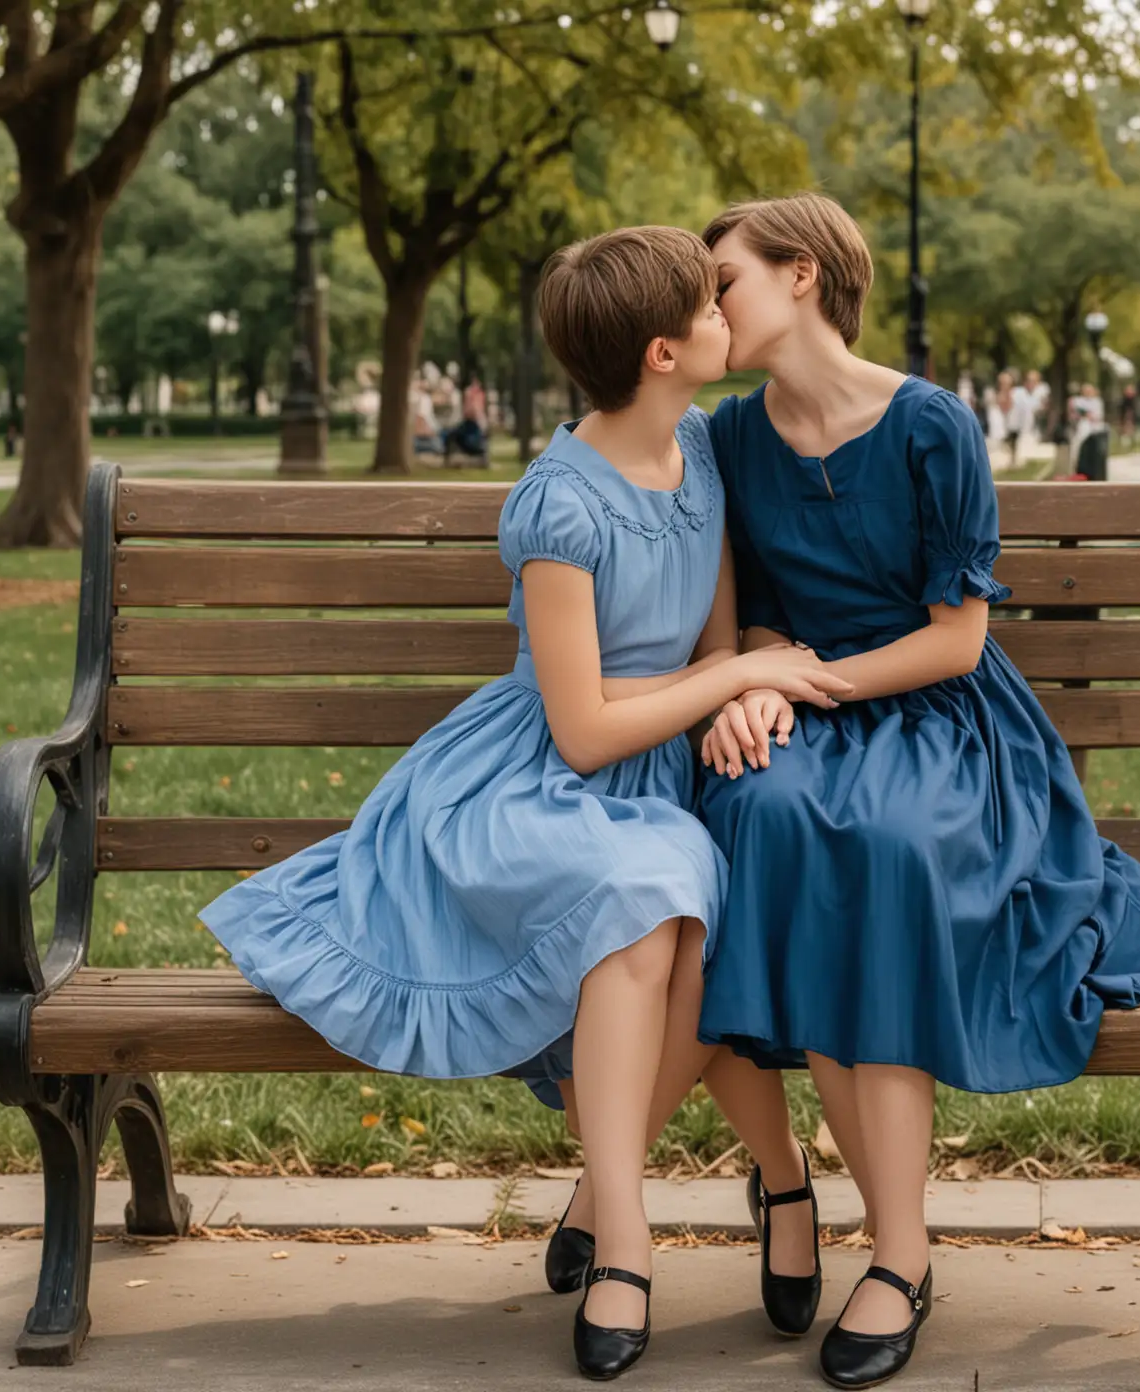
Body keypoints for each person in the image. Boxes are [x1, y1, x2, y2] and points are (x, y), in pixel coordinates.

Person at [196, 226, 850, 1380]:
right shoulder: (558, 506)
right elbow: (584, 726)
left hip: (665, 776)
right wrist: (734, 677)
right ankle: (639, 1233)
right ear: (662, 351)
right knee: (654, 900)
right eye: (709, 306)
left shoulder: (701, 449)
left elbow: (712, 640)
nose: (726, 316)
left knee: (700, 915)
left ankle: (664, 1196)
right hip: (536, 786)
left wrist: (735, 696)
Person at [698, 194, 1140, 1389]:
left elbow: (957, 642)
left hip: (939, 719)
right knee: (762, 814)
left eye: (724, 278)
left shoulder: (931, 424)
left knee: (882, 845)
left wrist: (801, 680)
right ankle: (811, 1196)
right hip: (812, 707)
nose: (708, 302)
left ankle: (901, 1251)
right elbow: (758, 600)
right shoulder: (730, 437)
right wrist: (760, 675)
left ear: (804, 276)